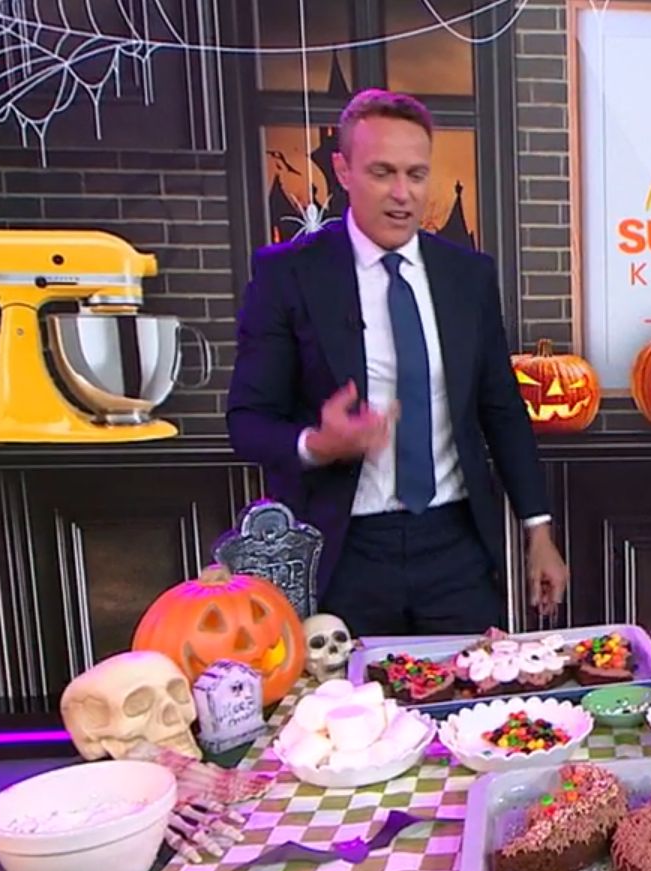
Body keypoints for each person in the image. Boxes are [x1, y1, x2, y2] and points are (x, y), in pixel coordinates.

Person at [227, 88, 568, 636]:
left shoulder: (467, 277)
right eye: (382, 173)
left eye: (416, 174)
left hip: (456, 547)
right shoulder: (288, 275)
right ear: (343, 170)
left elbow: (501, 409)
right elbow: (246, 422)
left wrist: (538, 530)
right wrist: (318, 444)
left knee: (473, 687)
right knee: (348, 694)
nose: (402, 194)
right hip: (344, 551)